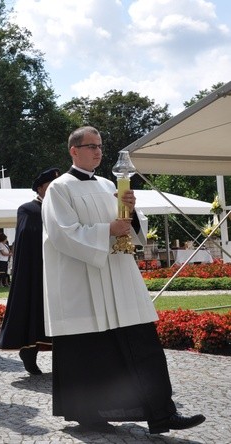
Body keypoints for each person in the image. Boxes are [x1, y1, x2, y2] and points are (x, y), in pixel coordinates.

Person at [42, 126, 205, 434]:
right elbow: (62, 234)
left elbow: (133, 232)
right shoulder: (59, 189)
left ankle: (162, 414)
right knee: (89, 352)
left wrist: (130, 211)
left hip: (119, 278)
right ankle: (89, 414)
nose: (98, 151)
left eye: (100, 146)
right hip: (84, 284)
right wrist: (107, 230)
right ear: (73, 151)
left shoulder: (108, 185)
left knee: (142, 345)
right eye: (91, 146)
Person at [0, 167, 59, 375]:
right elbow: (27, 235)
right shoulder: (28, 209)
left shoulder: (63, 208)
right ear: (40, 188)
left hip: (60, 271)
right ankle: (29, 353)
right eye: (50, 186)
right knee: (34, 311)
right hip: (36, 272)